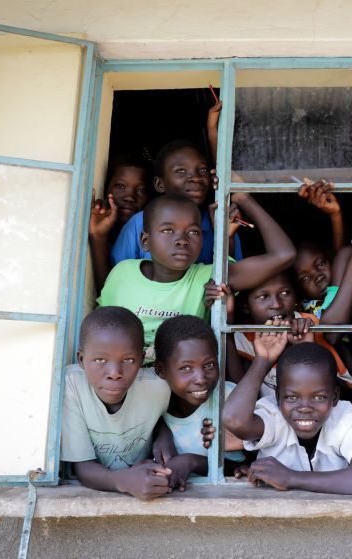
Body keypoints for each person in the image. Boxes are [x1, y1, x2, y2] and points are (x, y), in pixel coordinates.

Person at [98, 192, 296, 364]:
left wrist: (245, 199)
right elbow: (102, 330)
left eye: (193, 231)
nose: (182, 240)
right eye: (168, 230)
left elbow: (284, 254)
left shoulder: (210, 278)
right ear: (145, 241)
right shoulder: (122, 273)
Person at [223, 337, 352, 495]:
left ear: (334, 397)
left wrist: (290, 478)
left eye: (319, 397)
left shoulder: (344, 418)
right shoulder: (274, 414)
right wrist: (262, 361)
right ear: (278, 397)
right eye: (292, 397)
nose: (305, 408)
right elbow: (233, 419)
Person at [60, 306, 174, 500]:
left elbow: (174, 416)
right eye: (100, 360)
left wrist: (164, 433)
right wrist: (123, 482)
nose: (114, 373)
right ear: (81, 359)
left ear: (141, 360)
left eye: (129, 360)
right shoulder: (71, 386)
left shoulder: (159, 386)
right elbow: (83, 467)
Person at [110, 139, 244, 268]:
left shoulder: (222, 222)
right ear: (160, 184)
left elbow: (235, 277)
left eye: (202, 170)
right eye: (181, 171)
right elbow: (117, 278)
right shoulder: (139, 223)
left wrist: (225, 237)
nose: (196, 177)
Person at [221, 271, 352, 393]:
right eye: (263, 296)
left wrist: (305, 349)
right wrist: (228, 322)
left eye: (285, 293)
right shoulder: (243, 334)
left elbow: (345, 391)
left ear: (296, 298)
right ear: (245, 306)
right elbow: (237, 392)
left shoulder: (310, 325)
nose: (277, 304)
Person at [154, 315, 246, 486]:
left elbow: (242, 468)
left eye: (209, 365)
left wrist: (191, 462)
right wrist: (160, 430)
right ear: (161, 370)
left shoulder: (229, 399)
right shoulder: (152, 408)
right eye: (186, 368)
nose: (201, 378)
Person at [88, 153, 152, 293]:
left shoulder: (149, 233)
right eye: (121, 186)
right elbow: (109, 295)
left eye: (141, 190)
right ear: (106, 188)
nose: (130, 197)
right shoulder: (101, 224)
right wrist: (98, 237)